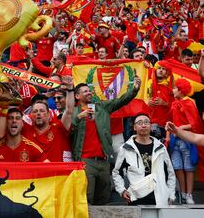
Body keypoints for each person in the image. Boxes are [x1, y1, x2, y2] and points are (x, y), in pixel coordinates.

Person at [70, 74, 141, 205]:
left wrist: (134, 90)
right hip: (85, 162)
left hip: (104, 161)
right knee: (87, 199)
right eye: (84, 91)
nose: (89, 92)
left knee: (103, 199)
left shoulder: (102, 107)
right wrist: (78, 117)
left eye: (89, 90)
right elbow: (66, 130)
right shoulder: (73, 112)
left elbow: (121, 101)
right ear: (77, 96)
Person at [112, 114, 176, 206]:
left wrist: (171, 194)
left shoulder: (160, 147)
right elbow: (116, 172)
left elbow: (170, 172)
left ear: (150, 126)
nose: (143, 125)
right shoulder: (126, 148)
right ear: (134, 127)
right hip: (136, 198)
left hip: (159, 198)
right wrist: (122, 190)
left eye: (146, 122)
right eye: (139, 123)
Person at [166, 78, 203, 204]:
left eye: (175, 88)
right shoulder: (174, 103)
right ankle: (182, 193)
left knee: (189, 167)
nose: (173, 90)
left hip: (187, 140)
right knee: (177, 167)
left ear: (181, 90)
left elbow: (194, 123)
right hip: (174, 140)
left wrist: (180, 128)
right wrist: (168, 135)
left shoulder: (189, 103)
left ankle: (189, 194)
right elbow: (169, 122)